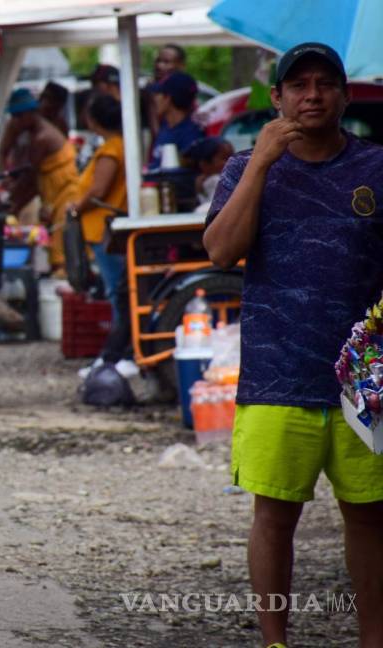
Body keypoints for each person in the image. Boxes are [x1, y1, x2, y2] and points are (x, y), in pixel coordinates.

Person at [203, 42, 383, 648]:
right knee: (275, 517)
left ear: (344, 94)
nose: (312, 95)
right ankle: (275, 641)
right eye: (298, 85)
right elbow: (222, 251)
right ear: (276, 99)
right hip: (277, 373)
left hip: (366, 379)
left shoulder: (376, 168)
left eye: (325, 84)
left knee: (369, 518)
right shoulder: (245, 167)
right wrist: (259, 164)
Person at [69, 95, 135, 379]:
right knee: (117, 292)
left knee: (117, 294)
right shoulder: (118, 145)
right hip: (104, 230)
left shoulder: (111, 150)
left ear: (93, 120)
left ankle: (117, 355)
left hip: (104, 231)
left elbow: (98, 190)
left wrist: (75, 207)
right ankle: (117, 353)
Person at [0, 87, 81, 272]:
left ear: (30, 114)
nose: (15, 122)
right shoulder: (26, 130)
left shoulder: (43, 137)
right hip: (52, 192)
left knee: (63, 253)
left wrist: (13, 205)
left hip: (67, 192)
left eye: (19, 117)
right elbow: (4, 153)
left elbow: (30, 177)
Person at [147, 71, 205, 171]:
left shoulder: (191, 134)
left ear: (167, 98)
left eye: (158, 94)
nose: (154, 99)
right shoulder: (165, 126)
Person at [183, 136, 234, 206]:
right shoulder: (216, 181)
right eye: (224, 158)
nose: (232, 162)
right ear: (204, 164)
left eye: (233, 156)